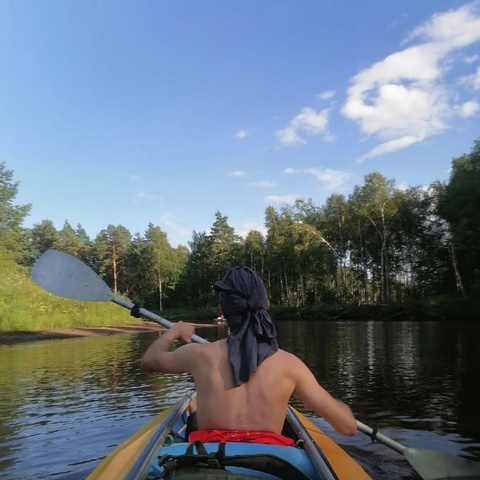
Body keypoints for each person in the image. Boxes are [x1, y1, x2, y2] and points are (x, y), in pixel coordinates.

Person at [140, 265, 357, 446]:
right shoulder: (290, 366)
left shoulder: (198, 355)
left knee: (194, 417)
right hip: (269, 463)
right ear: (266, 305)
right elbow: (347, 426)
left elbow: (149, 361)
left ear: (222, 311)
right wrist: (337, 407)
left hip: (209, 461)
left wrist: (174, 331)